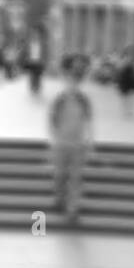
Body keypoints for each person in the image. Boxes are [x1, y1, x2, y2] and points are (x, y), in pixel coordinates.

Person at [48, 53, 94, 223]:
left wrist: (90, 140)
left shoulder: (83, 100)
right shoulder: (59, 99)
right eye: (70, 81)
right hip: (61, 143)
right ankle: (59, 198)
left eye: (75, 82)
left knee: (75, 177)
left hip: (77, 144)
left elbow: (89, 120)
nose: (72, 84)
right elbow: (52, 120)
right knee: (60, 174)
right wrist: (53, 139)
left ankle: (72, 209)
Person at [115, 45, 134, 117]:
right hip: (124, 82)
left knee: (130, 97)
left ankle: (129, 110)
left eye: (132, 52)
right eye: (130, 52)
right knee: (125, 97)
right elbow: (119, 72)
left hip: (131, 82)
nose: (131, 54)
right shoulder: (123, 60)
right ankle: (125, 110)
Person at [23, 25, 47, 96]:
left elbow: (45, 52)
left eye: (36, 33)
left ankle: (37, 89)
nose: (35, 35)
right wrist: (26, 58)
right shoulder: (29, 43)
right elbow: (26, 52)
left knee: (38, 76)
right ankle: (32, 89)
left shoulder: (42, 43)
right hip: (31, 61)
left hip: (39, 62)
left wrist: (44, 60)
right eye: (34, 33)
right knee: (32, 75)